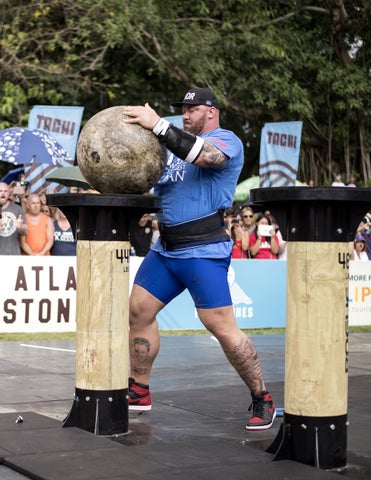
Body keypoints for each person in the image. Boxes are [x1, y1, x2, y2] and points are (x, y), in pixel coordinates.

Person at [123, 87, 276, 430]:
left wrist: (159, 125)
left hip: (203, 250)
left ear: (211, 111)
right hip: (165, 249)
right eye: (182, 110)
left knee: (221, 327)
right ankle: (139, 390)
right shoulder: (171, 149)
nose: (185, 115)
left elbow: (206, 158)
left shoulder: (227, 141)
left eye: (192, 109)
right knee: (138, 310)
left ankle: (262, 397)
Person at [0, 182, 28, 255]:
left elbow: (25, 232)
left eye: (5, 191)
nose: (3, 193)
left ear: (9, 193)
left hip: (13, 256)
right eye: (0, 191)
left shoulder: (18, 209)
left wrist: (20, 228)